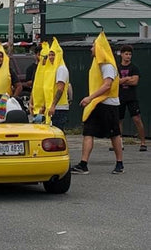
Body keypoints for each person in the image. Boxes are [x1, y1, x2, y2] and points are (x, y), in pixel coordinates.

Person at [71, 32, 123, 175]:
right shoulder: (97, 63)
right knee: (88, 132)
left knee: (114, 134)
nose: (91, 49)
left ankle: (120, 163)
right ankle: (83, 164)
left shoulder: (108, 65)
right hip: (96, 104)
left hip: (108, 104)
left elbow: (107, 85)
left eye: (93, 46)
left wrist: (90, 97)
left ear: (99, 48)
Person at [116, 44, 147, 151]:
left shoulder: (134, 68)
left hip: (131, 97)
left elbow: (135, 82)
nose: (128, 56)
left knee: (137, 119)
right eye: (126, 54)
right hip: (119, 98)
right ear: (122, 55)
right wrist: (127, 79)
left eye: (130, 54)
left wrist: (122, 80)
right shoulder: (117, 68)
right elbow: (115, 82)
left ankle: (143, 143)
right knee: (119, 120)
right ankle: (119, 143)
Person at [42, 38, 70, 130]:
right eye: (49, 55)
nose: (50, 57)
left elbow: (60, 89)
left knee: (57, 133)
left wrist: (53, 106)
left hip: (59, 108)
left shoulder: (61, 69)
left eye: (53, 55)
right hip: (52, 107)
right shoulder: (53, 69)